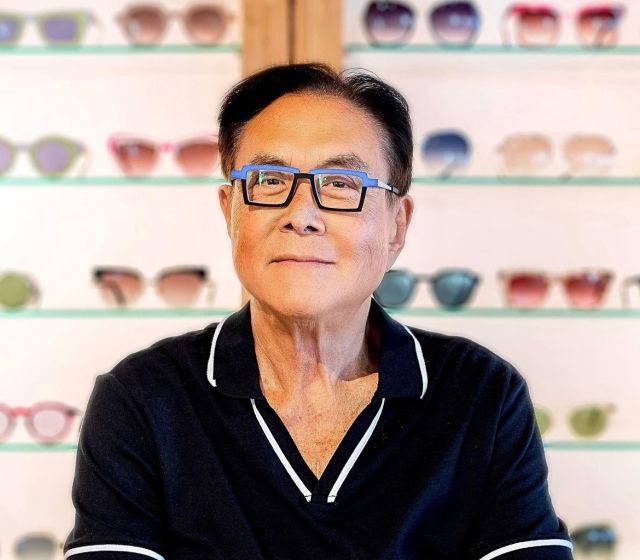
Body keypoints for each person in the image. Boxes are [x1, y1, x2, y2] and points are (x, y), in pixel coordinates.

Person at [63, 63, 574, 560]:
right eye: (269, 180)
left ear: (397, 225)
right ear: (229, 211)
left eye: (340, 183)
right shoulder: (143, 399)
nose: (301, 215)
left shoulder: (481, 394)